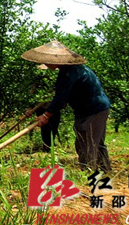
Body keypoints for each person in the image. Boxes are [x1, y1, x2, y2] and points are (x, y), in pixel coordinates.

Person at [22, 39, 111, 172]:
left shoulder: (69, 73)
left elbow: (61, 100)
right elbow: (61, 96)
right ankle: (105, 172)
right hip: (96, 108)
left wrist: (45, 115)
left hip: (93, 110)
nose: (46, 63)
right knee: (95, 143)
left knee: (87, 143)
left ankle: (88, 174)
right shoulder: (73, 70)